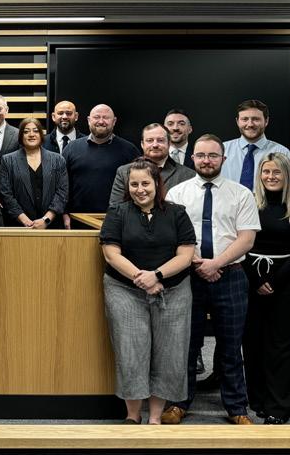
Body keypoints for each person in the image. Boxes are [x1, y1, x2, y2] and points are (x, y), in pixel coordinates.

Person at [162, 134, 259, 426]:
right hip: (187, 276)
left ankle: (237, 407)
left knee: (231, 345)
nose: (207, 161)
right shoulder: (177, 193)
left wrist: (216, 263)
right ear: (193, 158)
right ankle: (178, 403)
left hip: (230, 275)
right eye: (201, 155)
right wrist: (197, 263)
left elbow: (247, 239)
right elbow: (171, 236)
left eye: (213, 155)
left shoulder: (241, 194)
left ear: (223, 159)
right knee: (185, 344)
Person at [100, 158, 196, 424]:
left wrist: (157, 275)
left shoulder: (177, 213)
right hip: (124, 291)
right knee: (131, 352)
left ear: (157, 183)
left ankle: (155, 418)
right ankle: (133, 416)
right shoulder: (117, 212)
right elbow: (111, 253)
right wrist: (142, 278)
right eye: (134, 184)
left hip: (173, 290)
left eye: (145, 183)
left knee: (168, 352)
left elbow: (186, 255)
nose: (140, 189)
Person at [242, 153, 290, 424]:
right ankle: (258, 399)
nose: (271, 177)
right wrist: (256, 280)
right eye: (266, 172)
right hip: (251, 280)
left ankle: (279, 406)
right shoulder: (248, 203)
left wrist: (275, 281)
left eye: (277, 172)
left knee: (283, 346)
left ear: (287, 175)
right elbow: (238, 241)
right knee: (253, 343)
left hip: (288, 283)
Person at [63, 103, 141, 214]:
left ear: (114, 121)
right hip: (77, 217)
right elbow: (61, 185)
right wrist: (64, 212)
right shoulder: (71, 148)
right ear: (89, 120)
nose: (101, 121)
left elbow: (138, 185)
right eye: (96, 117)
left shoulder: (130, 150)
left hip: (117, 217)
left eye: (106, 117)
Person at [0, 118, 69, 228]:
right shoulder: (8, 161)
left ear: (41, 135)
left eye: (35, 131)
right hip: (18, 225)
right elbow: (6, 194)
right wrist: (24, 220)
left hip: (51, 224)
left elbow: (62, 192)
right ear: (21, 136)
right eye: (26, 132)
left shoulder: (58, 160)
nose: (31, 134)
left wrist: (46, 219)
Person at [109, 123, 195, 204]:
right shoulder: (124, 172)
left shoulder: (188, 175)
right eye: (149, 140)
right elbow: (115, 208)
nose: (155, 145)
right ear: (142, 144)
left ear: (169, 144)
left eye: (160, 140)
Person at [220, 99, 290, 191]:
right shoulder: (222, 150)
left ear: (266, 121)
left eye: (256, 119)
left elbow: (287, 189)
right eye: (245, 119)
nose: (250, 124)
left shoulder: (282, 152)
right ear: (237, 121)